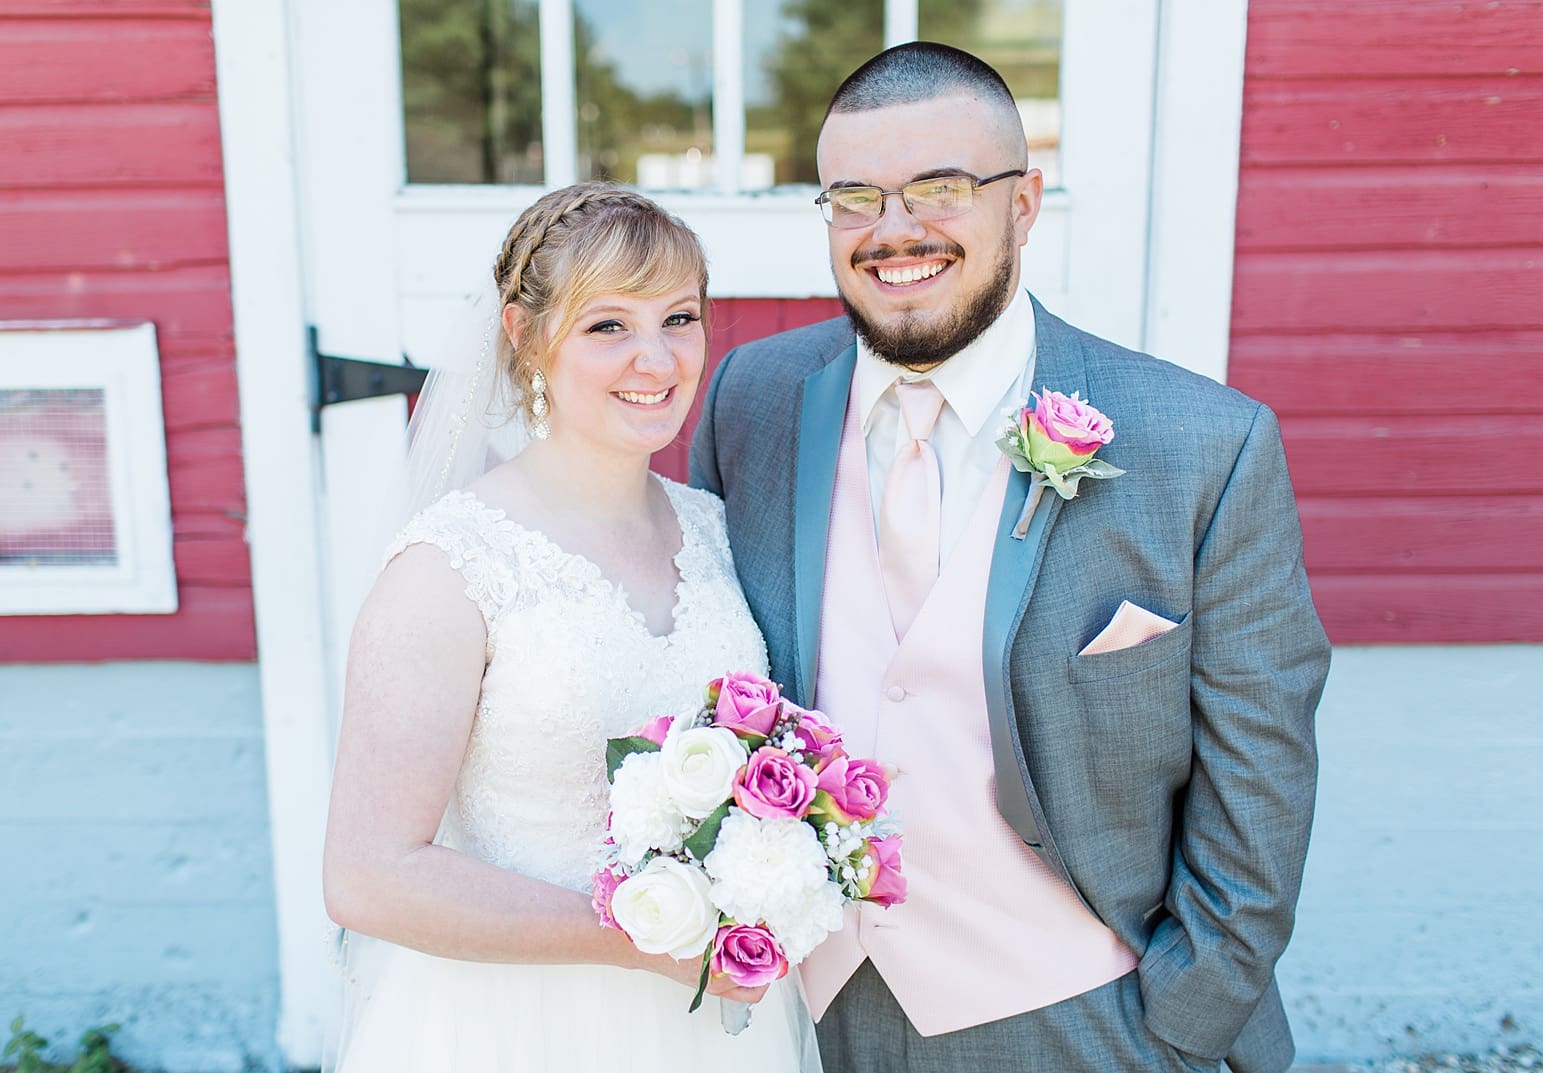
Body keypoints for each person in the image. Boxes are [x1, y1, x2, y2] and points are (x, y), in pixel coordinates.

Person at [691, 42, 1331, 1073]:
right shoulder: (750, 401)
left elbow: (1260, 771)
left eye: (938, 188)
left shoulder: (1201, 444)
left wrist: (1185, 1012)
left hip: (1083, 1010)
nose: (893, 230)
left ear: (1023, 205)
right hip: (798, 1009)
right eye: (853, 197)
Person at [322, 183, 820, 1073]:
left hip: (712, 1027)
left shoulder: (711, 529)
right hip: (516, 1026)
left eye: (678, 318)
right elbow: (368, 875)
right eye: (607, 326)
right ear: (524, 335)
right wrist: (646, 940)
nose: (656, 359)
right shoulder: (450, 567)